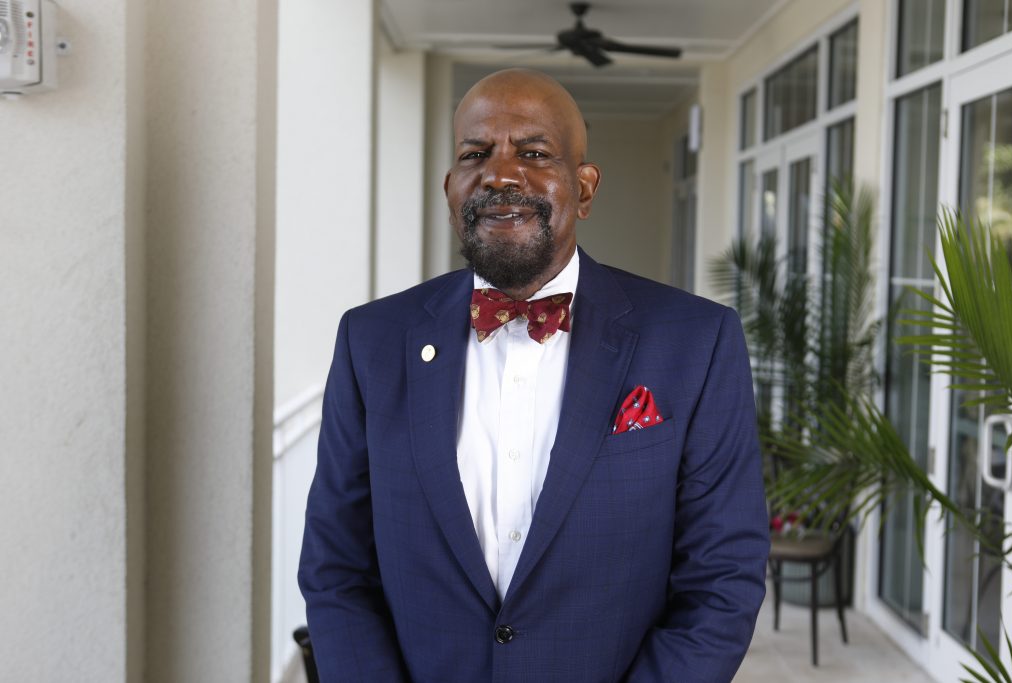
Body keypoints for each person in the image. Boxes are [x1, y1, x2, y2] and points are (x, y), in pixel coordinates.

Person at [299, 68, 768, 683]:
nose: (501, 174)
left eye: (534, 153)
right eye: (476, 154)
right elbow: (337, 568)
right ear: (450, 189)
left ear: (585, 187)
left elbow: (723, 576)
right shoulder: (372, 341)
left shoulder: (695, 341)